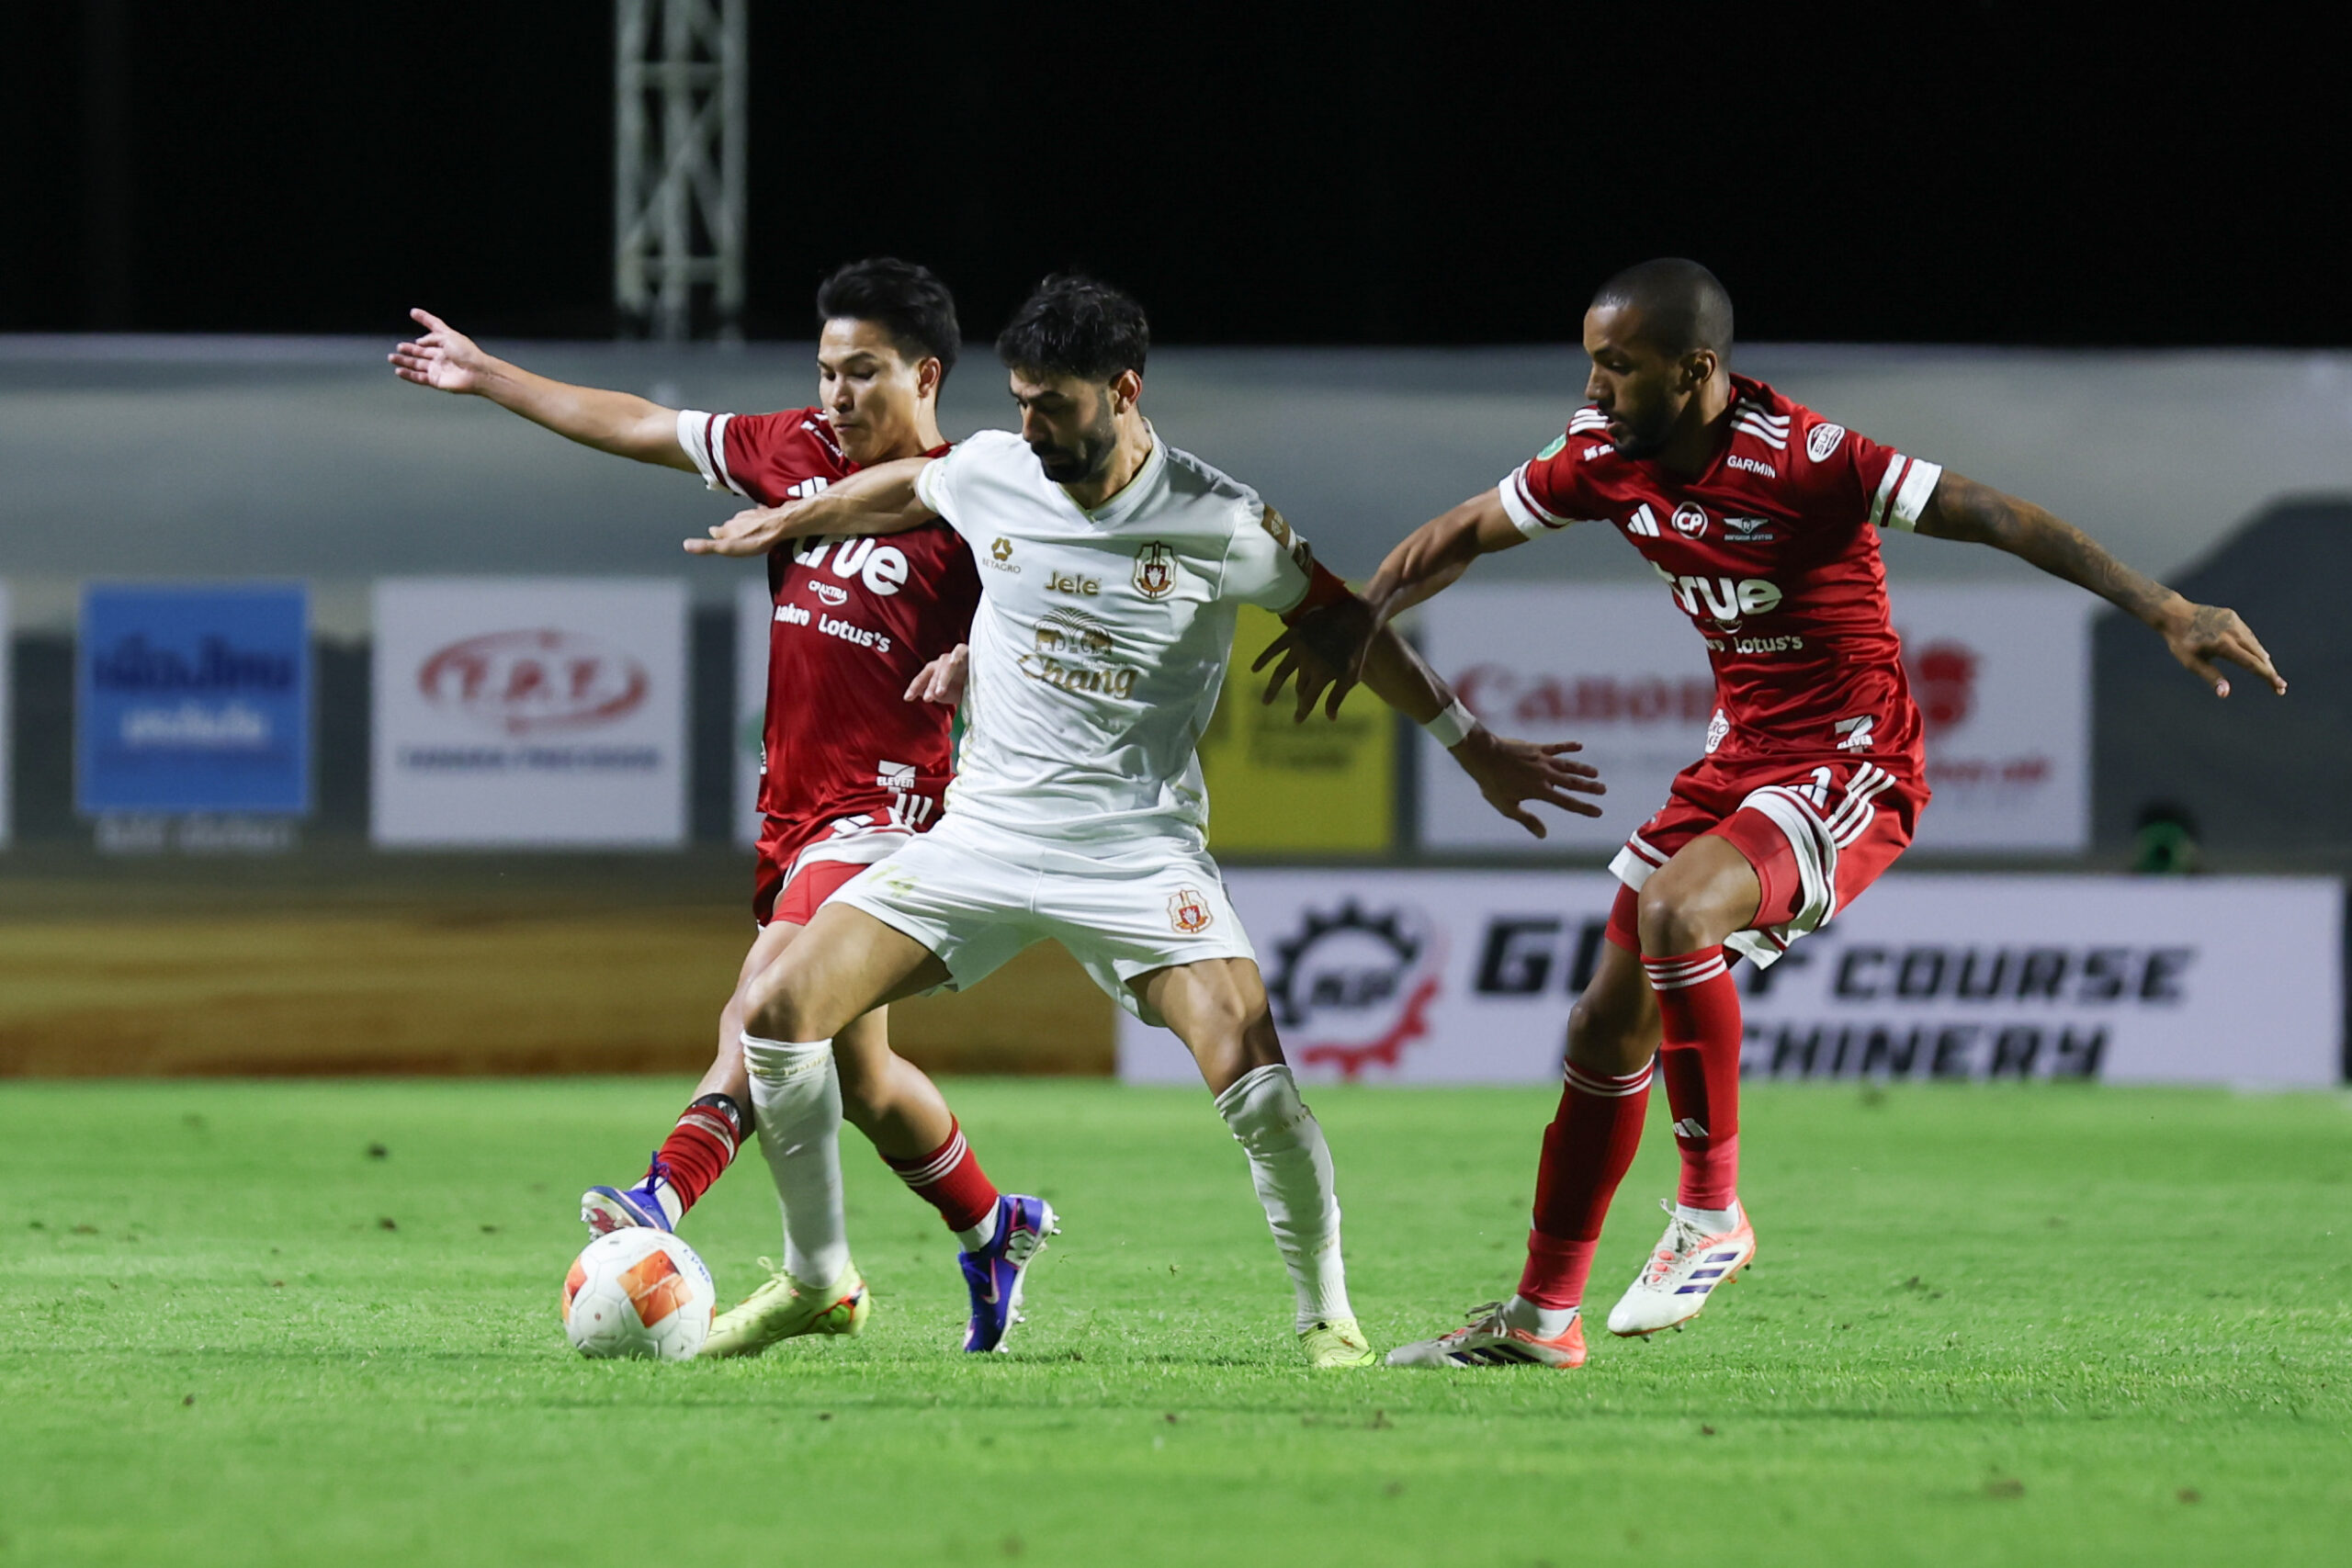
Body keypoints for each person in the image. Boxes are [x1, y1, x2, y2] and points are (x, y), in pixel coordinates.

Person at [1267, 257, 2285, 1370]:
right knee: (1601, 1029)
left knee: (1675, 913)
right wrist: (1367, 610)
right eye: (1591, 363)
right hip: (1739, 760)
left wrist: (2163, 605)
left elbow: (1992, 513)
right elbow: (1460, 532)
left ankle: (1711, 1211)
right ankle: (1542, 1317)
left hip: (1852, 760)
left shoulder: (1807, 458)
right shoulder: (1602, 452)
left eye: (1618, 365)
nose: (1595, 388)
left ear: (1694, 370)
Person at [685, 273, 1605, 1366]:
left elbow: (1344, 626)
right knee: (779, 1011)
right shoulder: (994, 468)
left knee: (1257, 1084)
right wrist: (795, 515)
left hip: (1135, 856)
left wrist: (1471, 743)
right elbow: (910, 488)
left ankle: (1329, 1320)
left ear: (1123, 392)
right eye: (1020, 401)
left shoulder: (1220, 520)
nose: (1030, 426)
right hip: (981, 839)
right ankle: (816, 1277)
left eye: (1053, 405)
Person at [389, 258, 1048, 1358]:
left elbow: (1060, 604)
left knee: (766, 994)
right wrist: (488, 374)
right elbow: (641, 425)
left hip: (895, 815)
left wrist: (980, 656)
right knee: (862, 1079)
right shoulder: (794, 451)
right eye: (827, 371)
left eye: (864, 372)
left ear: (926, 375)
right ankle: (993, 1226)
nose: (837, 395)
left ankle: (665, 1191)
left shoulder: (976, 492)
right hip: (794, 817)